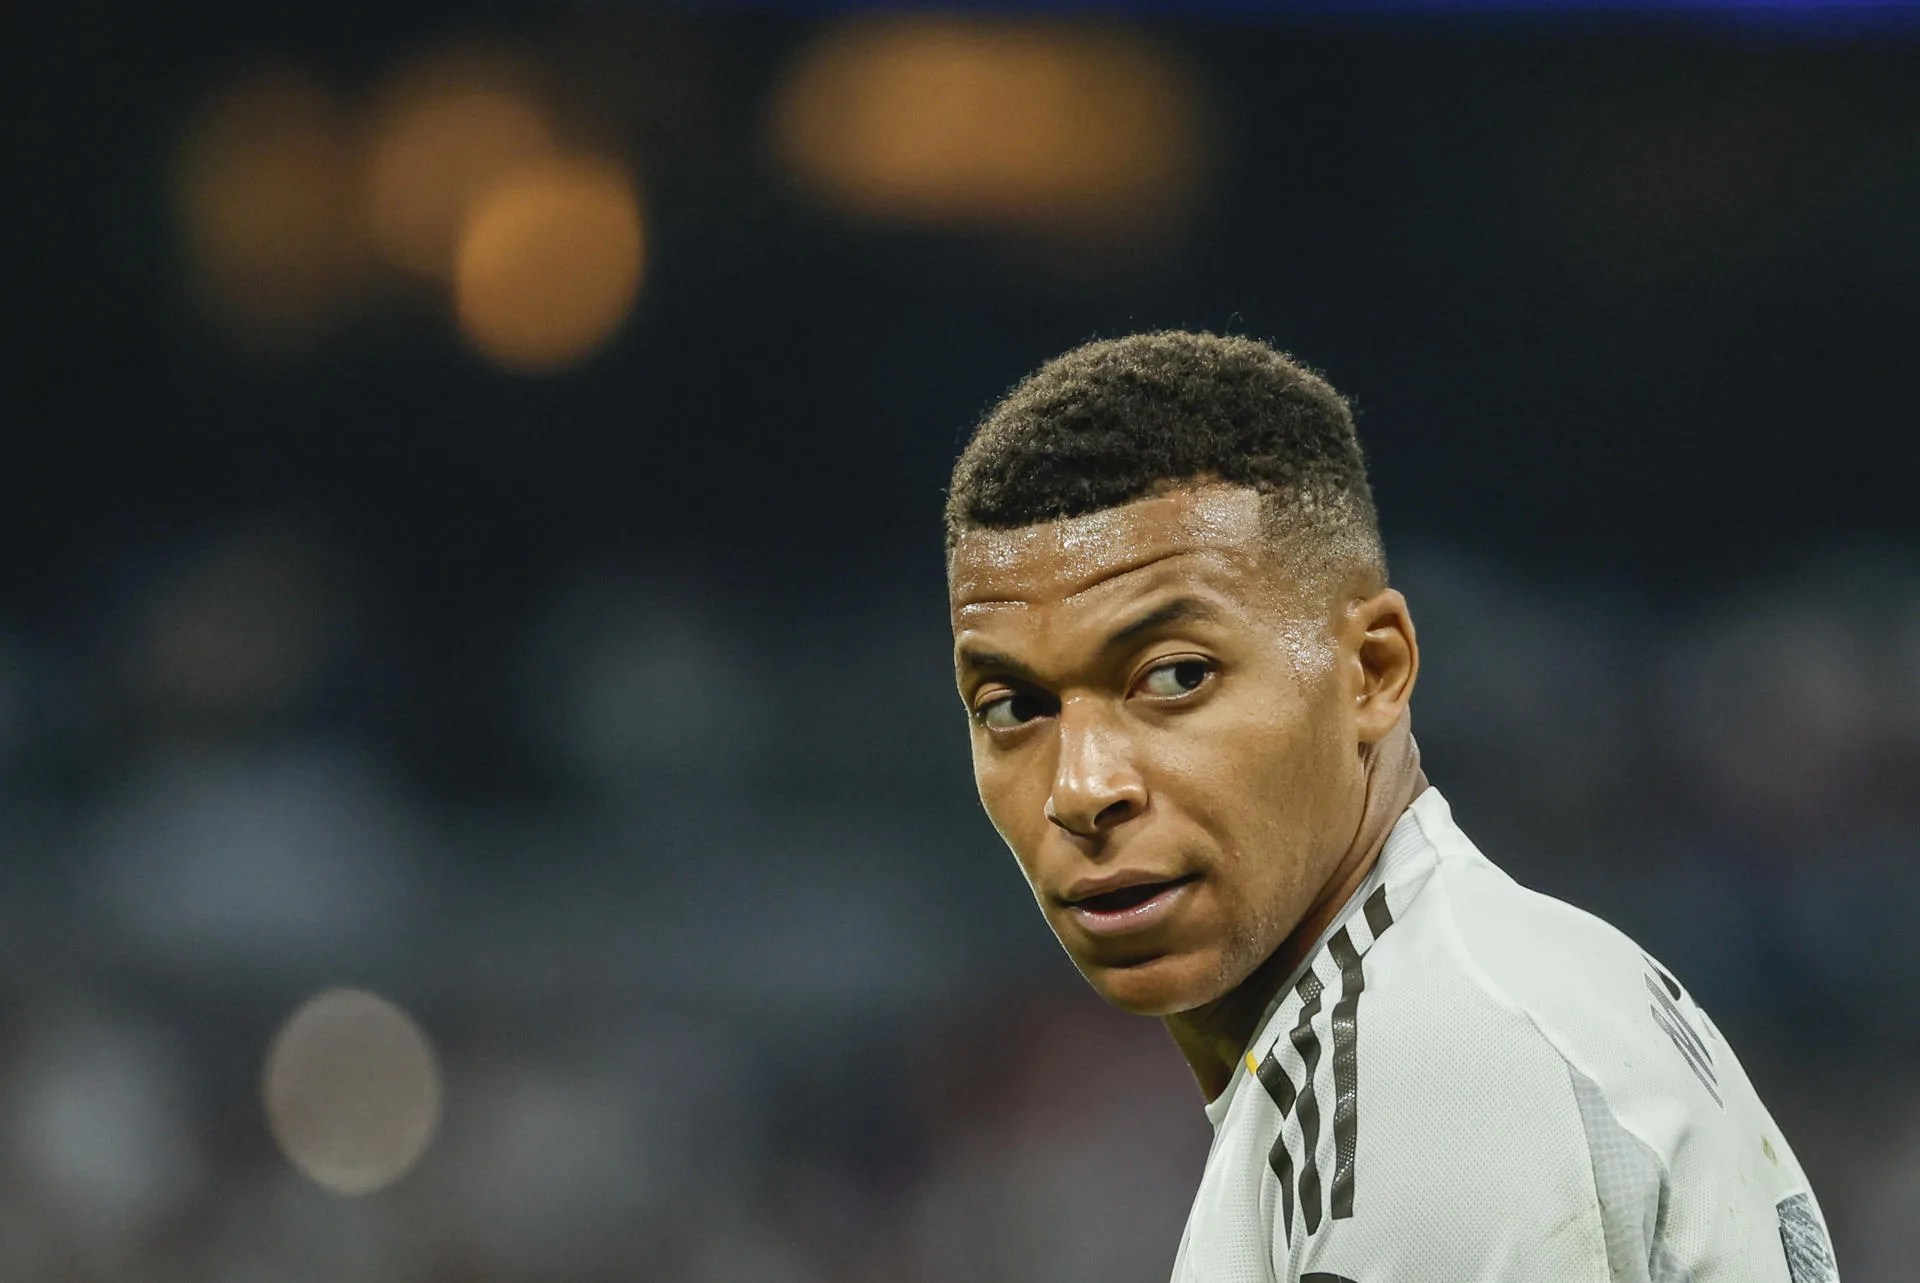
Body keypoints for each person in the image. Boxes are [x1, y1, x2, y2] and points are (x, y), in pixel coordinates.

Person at [943, 331, 1838, 1282]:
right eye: (1015, 708)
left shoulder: (1428, 1072)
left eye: (1175, 675)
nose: (1082, 788)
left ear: (1372, 671)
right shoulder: (1492, 984)